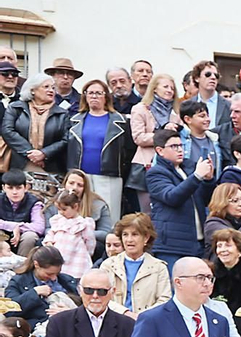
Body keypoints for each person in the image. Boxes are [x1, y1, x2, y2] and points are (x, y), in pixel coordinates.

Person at [145, 127, 212, 269]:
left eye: (181, 145)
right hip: (171, 245)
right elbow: (172, 197)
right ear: (160, 150)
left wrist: (208, 180)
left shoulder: (190, 168)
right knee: (174, 287)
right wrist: (197, 176)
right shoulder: (156, 173)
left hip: (197, 241)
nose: (180, 150)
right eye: (174, 146)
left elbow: (206, 200)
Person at [67, 78, 129, 210]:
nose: (94, 96)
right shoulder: (73, 120)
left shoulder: (121, 121)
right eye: (90, 93)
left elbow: (128, 149)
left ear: (106, 97)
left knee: (109, 215)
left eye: (98, 93)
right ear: (85, 96)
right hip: (80, 176)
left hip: (109, 176)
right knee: (79, 213)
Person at [129, 74, 181, 213]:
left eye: (172, 88)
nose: (170, 90)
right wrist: (162, 134)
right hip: (146, 165)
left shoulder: (176, 113)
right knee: (147, 214)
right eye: (166, 87)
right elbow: (138, 137)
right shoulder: (140, 109)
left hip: (170, 165)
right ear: (154, 89)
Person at [101, 213, 171, 316]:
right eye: (125, 234)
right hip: (115, 322)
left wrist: (142, 317)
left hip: (148, 323)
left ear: (146, 238)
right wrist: (126, 313)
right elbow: (102, 296)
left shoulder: (159, 267)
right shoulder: (108, 265)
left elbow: (164, 300)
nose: (129, 240)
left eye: (135, 234)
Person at [2, 73, 71, 176]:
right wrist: (30, 153)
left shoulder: (62, 113)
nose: (51, 90)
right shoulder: (16, 108)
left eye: (53, 87)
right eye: (46, 87)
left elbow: (66, 139)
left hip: (51, 166)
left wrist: (44, 153)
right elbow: (7, 131)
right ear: (32, 90)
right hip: (20, 165)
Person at [5, 244, 78, 324]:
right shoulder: (18, 281)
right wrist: (34, 293)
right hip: (38, 327)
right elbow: (9, 310)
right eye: (49, 274)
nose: (53, 278)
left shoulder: (68, 281)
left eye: (57, 273)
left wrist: (71, 312)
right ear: (36, 265)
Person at [43, 190, 96, 279]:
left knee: (75, 279)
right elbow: (51, 232)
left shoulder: (83, 224)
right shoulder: (58, 220)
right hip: (58, 256)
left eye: (64, 209)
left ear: (75, 206)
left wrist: (88, 253)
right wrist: (49, 242)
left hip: (76, 258)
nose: (61, 212)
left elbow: (90, 241)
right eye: (59, 209)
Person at [1, 169, 45, 255]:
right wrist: (13, 226)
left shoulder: (34, 202)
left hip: (23, 237)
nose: (14, 192)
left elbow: (39, 227)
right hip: (4, 235)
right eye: (10, 188)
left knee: (30, 236)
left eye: (18, 188)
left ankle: (22, 266)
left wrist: (19, 227)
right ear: (4, 188)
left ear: (25, 188)